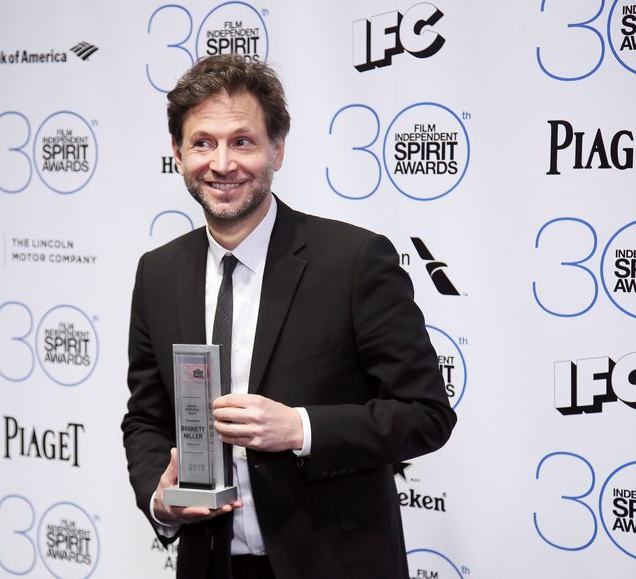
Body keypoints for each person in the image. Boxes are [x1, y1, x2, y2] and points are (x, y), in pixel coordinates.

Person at [122, 54, 456, 579]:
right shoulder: (157, 273)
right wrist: (160, 500)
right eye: (203, 142)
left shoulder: (353, 262)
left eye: (243, 141)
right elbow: (145, 418)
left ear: (277, 149)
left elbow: (426, 414)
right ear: (178, 152)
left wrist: (299, 427)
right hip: (210, 566)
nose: (222, 163)